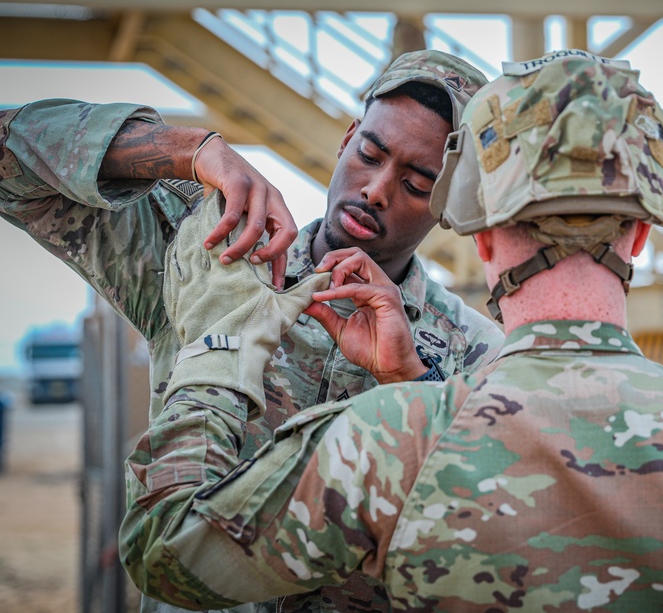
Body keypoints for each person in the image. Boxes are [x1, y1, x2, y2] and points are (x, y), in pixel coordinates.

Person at [121, 54, 663, 612]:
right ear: (645, 234)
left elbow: (169, 551)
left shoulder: (395, 441)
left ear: (485, 233)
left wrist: (219, 345)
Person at [0, 49, 505, 612]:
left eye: (416, 184)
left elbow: (488, 544)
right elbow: (9, 153)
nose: (377, 190)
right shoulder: (215, 254)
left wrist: (410, 382)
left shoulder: (478, 354)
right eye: (369, 154)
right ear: (345, 141)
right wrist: (189, 150)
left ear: (447, 205)